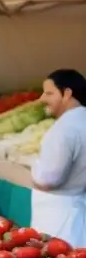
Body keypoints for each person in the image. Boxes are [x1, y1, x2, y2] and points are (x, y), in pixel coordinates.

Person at [31, 69, 86, 246]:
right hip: (76, 211)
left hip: (57, 219)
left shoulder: (64, 129)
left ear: (67, 94)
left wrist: (33, 165)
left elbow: (49, 179)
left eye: (49, 93)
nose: (42, 99)